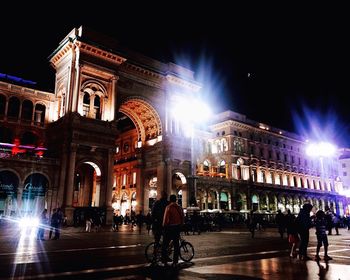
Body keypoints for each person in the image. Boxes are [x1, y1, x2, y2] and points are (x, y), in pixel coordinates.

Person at [161, 194, 184, 267]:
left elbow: (165, 218)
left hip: (170, 227)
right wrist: (181, 225)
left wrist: (164, 225)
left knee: (165, 243)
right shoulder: (179, 207)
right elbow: (182, 217)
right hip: (177, 227)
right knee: (176, 244)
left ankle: (164, 259)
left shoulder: (168, 207)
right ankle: (175, 261)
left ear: (170, 200)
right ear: (176, 200)